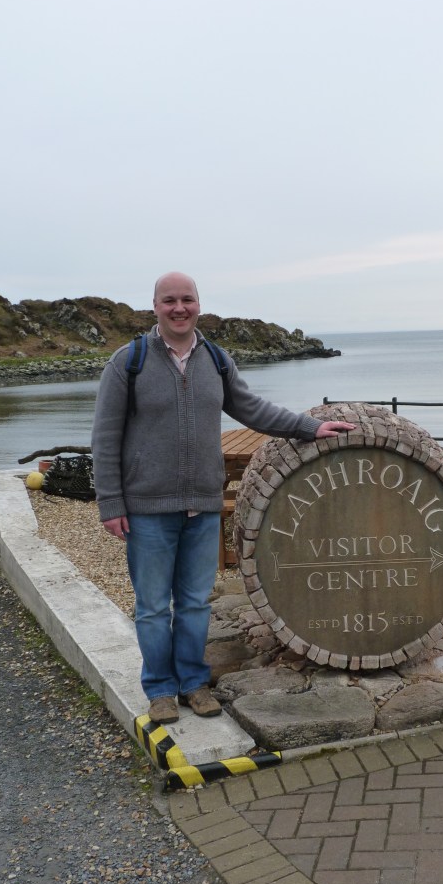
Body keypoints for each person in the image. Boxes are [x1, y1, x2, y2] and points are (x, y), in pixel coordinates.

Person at [91, 271, 354, 725]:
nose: (179, 308)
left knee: (194, 603)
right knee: (153, 606)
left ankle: (193, 684)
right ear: (154, 306)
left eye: (187, 300)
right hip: (147, 510)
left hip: (202, 506)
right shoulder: (128, 361)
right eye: (169, 300)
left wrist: (310, 427)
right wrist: (110, 503)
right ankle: (159, 690)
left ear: (198, 305)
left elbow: (252, 408)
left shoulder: (214, 358)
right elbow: (105, 437)